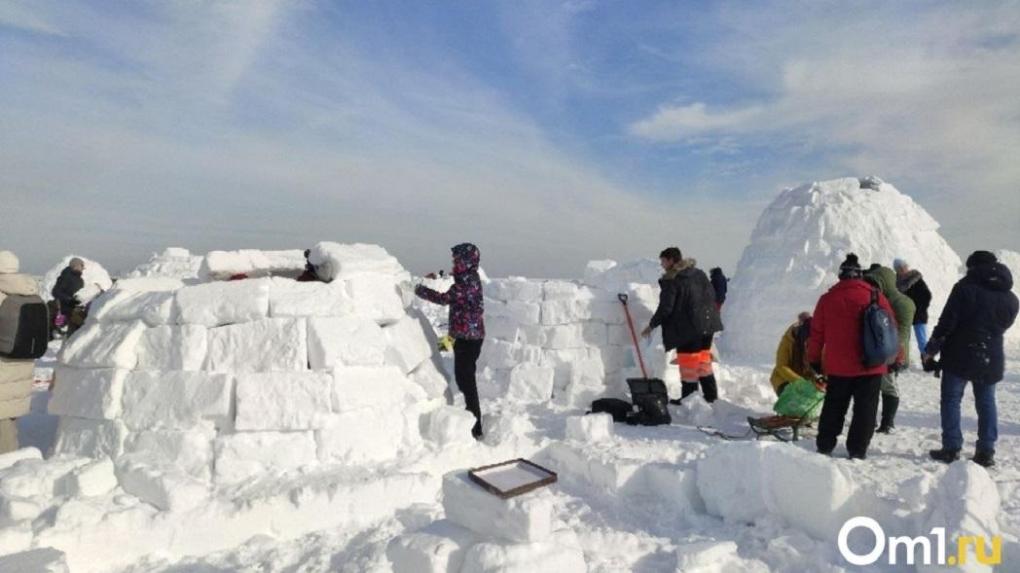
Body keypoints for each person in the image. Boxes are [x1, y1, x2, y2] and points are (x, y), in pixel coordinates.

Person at [926, 251, 1018, 467]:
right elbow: (1003, 325)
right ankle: (986, 451)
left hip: (960, 354)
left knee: (951, 400)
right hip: (991, 356)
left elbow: (947, 321)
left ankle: (951, 447)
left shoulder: (964, 288)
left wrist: (932, 348)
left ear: (973, 267)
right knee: (986, 403)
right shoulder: (1011, 298)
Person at [809, 253, 897, 460]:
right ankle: (858, 449)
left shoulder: (827, 299)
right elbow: (890, 328)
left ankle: (825, 444)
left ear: (841, 276)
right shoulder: (875, 296)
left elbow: (816, 334)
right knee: (866, 409)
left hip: (839, 366)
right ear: (860, 276)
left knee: (834, 406)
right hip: (872, 365)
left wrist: (813, 360)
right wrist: (895, 357)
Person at [415, 243, 485, 439]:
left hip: (469, 339)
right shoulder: (465, 278)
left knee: (465, 380)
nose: (454, 263)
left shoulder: (468, 282)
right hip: (461, 335)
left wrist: (419, 290)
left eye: (457, 260)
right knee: (461, 376)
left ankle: (475, 426)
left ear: (466, 262)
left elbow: (445, 299)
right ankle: (472, 420)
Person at [641, 247, 723, 403]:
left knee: (689, 364)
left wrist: (651, 326)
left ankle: (689, 400)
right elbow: (712, 295)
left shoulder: (672, 279)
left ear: (671, 260)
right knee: (703, 362)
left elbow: (666, 308)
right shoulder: (698, 273)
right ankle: (711, 397)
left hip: (688, 329)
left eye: (663, 261)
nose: (662, 265)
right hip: (708, 325)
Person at [864, 264, 914, 434]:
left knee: (888, 385)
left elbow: (902, 332)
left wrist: (895, 356)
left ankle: (887, 422)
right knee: (874, 385)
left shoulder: (902, 303)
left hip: (891, 352)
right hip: (878, 349)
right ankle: (875, 421)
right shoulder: (877, 298)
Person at [0, 251, 38, 454]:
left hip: (2, 371)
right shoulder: (28, 292)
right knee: (7, 425)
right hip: (20, 371)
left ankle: (6, 478)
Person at [769, 312, 817, 396]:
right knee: (794, 398)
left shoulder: (819, 342)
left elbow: (825, 366)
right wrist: (800, 382)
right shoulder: (789, 340)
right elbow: (781, 366)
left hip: (809, 382)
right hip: (785, 379)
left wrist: (822, 380)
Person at [894, 258, 932, 358]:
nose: (902, 270)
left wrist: (919, 308)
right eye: (899, 268)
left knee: (922, 341)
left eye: (903, 267)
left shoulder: (916, 279)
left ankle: (927, 361)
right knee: (904, 339)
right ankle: (903, 359)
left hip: (918, 314)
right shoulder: (896, 282)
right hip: (904, 314)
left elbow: (927, 295)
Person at [51, 258, 85, 335]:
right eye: (82, 265)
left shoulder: (79, 279)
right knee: (66, 332)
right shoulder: (66, 276)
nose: (83, 268)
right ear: (75, 266)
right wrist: (69, 300)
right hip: (65, 309)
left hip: (75, 308)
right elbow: (56, 292)